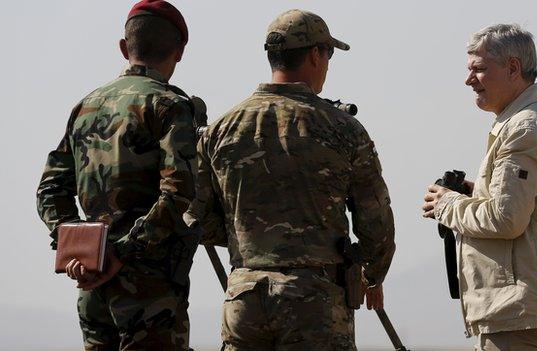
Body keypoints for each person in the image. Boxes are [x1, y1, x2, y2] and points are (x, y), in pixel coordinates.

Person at [186, 9, 396, 350]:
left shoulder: (220, 131)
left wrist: (251, 238)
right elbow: (376, 222)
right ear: (315, 54)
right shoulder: (341, 128)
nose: (328, 63)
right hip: (316, 302)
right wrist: (372, 275)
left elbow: (197, 218)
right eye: (328, 54)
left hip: (244, 297)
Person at [422, 24, 537, 351]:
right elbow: (535, 203)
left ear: (513, 68)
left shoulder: (524, 128)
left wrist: (447, 205)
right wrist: (476, 193)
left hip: (520, 309)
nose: (469, 80)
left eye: (479, 69)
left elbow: (506, 219)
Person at [36, 1, 200, 349]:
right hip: (149, 289)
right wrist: (122, 253)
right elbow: (178, 192)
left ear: (125, 48)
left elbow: (50, 189)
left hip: (93, 285)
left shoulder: (86, 106)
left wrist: (79, 253)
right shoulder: (169, 105)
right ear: (180, 51)